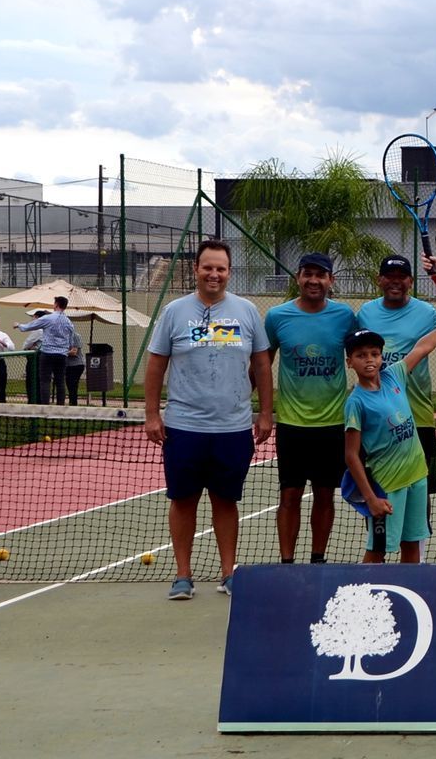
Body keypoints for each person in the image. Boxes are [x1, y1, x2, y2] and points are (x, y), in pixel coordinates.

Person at [143, 240, 272, 600]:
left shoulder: (247, 311)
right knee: (183, 499)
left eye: (221, 268)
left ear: (229, 272)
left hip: (233, 428)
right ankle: (183, 575)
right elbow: (156, 364)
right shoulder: (174, 312)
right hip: (184, 426)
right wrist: (152, 414)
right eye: (207, 267)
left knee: (225, 501)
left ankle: (229, 573)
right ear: (196, 269)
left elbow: (261, 364)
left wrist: (264, 412)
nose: (214, 274)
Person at [342, 254, 436, 565]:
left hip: (417, 476)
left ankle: (412, 593)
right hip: (388, 484)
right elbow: (350, 455)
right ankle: (363, 604)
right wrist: (371, 497)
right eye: (361, 355)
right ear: (350, 362)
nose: (370, 359)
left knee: (413, 544)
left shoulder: (395, 374)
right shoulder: (356, 402)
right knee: (379, 548)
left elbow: (424, 346)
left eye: (375, 353)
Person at [264, 252, 356, 564]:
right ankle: (287, 562)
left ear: (331, 280)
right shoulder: (277, 317)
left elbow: (362, 357)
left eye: (321, 275)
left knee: (325, 494)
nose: (314, 280)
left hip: (332, 425)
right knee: (289, 495)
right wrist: (257, 405)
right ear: (298, 278)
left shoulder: (345, 317)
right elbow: (263, 363)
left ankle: (318, 559)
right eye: (308, 274)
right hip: (291, 425)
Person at [355, 254, 436, 533]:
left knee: (421, 492)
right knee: (378, 489)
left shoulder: (427, 314)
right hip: (377, 422)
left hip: (416, 419)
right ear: (379, 280)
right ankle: (379, 549)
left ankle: (418, 554)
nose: (395, 282)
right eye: (389, 277)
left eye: (401, 278)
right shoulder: (365, 314)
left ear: (410, 281)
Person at [16, 298, 78, 406]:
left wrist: (19, 325)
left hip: (47, 353)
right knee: (60, 381)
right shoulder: (69, 322)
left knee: (45, 380)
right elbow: (71, 342)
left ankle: (45, 405)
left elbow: (30, 326)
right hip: (62, 355)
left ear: (56, 305)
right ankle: (60, 405)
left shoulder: (48, 318)